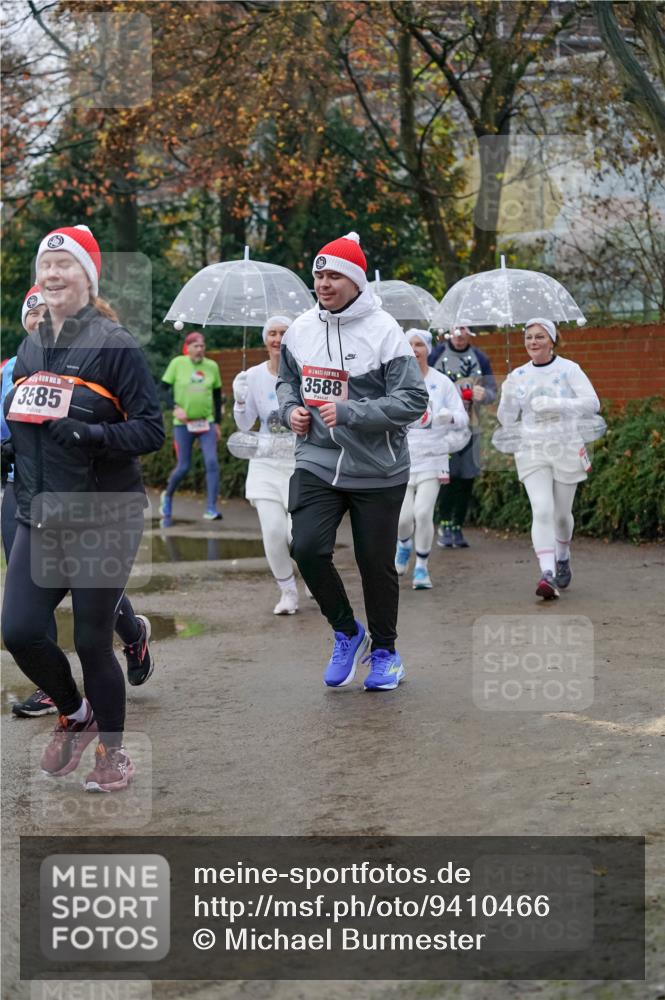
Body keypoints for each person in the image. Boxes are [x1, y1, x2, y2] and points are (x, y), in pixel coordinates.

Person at [1, 224, 164, 790]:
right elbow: (29, 426)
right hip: (39, 514)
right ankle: (75, 713)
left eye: (64, 265)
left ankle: (113, 755)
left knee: (92, 640)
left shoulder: (116, 345)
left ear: (88, 278)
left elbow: (150, 431)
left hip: (104, 517)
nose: (52, 274)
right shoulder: (29, 346)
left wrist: (92, 436)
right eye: (45, 266)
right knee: (19, 630)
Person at [277, 232, 428, 691]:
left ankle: (385, 652)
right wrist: (289, 412)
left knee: (374, 563)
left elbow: (413, 399)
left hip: (378, 468)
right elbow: (286, 382)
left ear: (357, 280)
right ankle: (347, 631)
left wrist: (352, 412)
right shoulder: (301, 329)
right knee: (305, 547)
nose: (324, 283)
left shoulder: (385, 332)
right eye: (319, 275)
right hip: (318, 460)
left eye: (335, 275)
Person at [496, 317, 601, 599]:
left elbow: (593, 403)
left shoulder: (569, 369)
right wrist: (506, 397)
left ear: (552, 340)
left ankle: (563, 555)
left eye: (540, 336)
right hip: (531, 448)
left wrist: (557, 403)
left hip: (566, 445)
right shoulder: (517, 376)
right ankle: (547, 573)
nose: (533, 342)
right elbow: (506, 420)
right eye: (529, 337)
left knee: (561, 516)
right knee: (541, 509)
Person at [232, 315, 302, 615]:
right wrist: (239, 399)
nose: (277, 339)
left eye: (283, 333)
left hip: (299, 464)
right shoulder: (252, 376)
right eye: (272, 333)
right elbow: (245, 424)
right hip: (264, 463)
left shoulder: (304, 373)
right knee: (273, 531)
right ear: (265, 340)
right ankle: (288, 592)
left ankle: (311, 572)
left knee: (296, 536)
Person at [395, 329, 469, 589]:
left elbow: (463, 418)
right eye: (409, 345)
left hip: (433, 457)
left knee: (423, 512)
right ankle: (404, 545)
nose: (414, 349)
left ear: (427, 349)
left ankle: (422, 568)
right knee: (403, 518)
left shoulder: (442, 382)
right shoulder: (394, 382)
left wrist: (448, 417)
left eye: (419, 345)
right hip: (401, 460)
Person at [429, 323, 496, 547]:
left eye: (464, 329)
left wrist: (484, 393)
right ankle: (444, 524)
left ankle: (458, 526)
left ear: (470, 332)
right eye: (456, 329)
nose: (459, 334)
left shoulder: (480, 357)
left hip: (471, 427)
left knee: (466, 478)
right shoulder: (436, 354)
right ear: (449, 330)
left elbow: (492, 392)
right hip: (442, 428)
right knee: (447, 477)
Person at [160, 331, 223, 522]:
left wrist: (218, 423)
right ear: (188, 348)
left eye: (202, 346)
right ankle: (168, 496)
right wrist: (175, 408)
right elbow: (161, 390)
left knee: (212, 462)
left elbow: (217, 395)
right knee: (183, 466)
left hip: (206, 422)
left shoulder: (212, 366)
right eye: (196, 346)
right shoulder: (178, 363)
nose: (200, 349)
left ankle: (211, 508)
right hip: (183, 424)